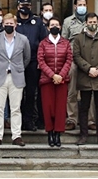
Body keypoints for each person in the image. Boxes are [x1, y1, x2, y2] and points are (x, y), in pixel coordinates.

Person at [0, 14, 31, 147]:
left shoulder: (23, 39)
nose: (9, 26)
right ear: (3, 24)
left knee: (16, 108)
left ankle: (16, 135)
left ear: (15, 25)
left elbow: (27, 58)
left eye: (11, 23)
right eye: (6, 23)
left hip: (16, 77)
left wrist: (18, 69)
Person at [73, 12, 98, 146]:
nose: (92, 24)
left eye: (94, 22)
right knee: (84, 108)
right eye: (90, 22)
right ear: (86, 23)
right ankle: (83, 135)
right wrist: (88, 68)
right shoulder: (79, 38)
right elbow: (76, 56)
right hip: (85, 78)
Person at [37, 16, 73, 147]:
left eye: (57, 25)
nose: (54, 27)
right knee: (48, 108)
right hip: (47, 80)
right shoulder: (43, 43)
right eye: (52, 25)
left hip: (62, 81)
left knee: (60, 108)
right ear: (48, 27)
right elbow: (41, 61)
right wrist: (53, 75)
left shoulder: (66, 43)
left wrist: (61, 76)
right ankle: (50, 132)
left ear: (61, 27)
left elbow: (69, 60)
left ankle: (58, 133)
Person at [15, 0, 48, 131]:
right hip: (16, 62)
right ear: (18, 6)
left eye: (28, 5)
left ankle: (29, 121)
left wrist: (41, 61)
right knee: (17, 93)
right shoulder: (14, 22)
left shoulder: (37, 22)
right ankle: (17, 122)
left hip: (33, 62)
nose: (25, 7)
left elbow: (43, 43)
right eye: (23, 5)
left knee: (30, 93)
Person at [62, 0, 95, 131]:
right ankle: (71, 119)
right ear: (75, 6)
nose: (82, 7)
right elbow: (64, 41)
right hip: (73, 60)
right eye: (80, 5)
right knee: (72, 91)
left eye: (84, 5)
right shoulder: (68, 21)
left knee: (90, 90)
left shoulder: (91, 21)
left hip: (88, 61)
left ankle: (90, 120)